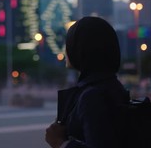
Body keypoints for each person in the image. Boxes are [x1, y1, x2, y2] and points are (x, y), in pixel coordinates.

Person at [45, 16, 130, 148]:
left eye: (69, 44)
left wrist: (60, 143)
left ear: (80, 49)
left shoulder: (91, 97)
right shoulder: (112, 86)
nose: (66, 51)